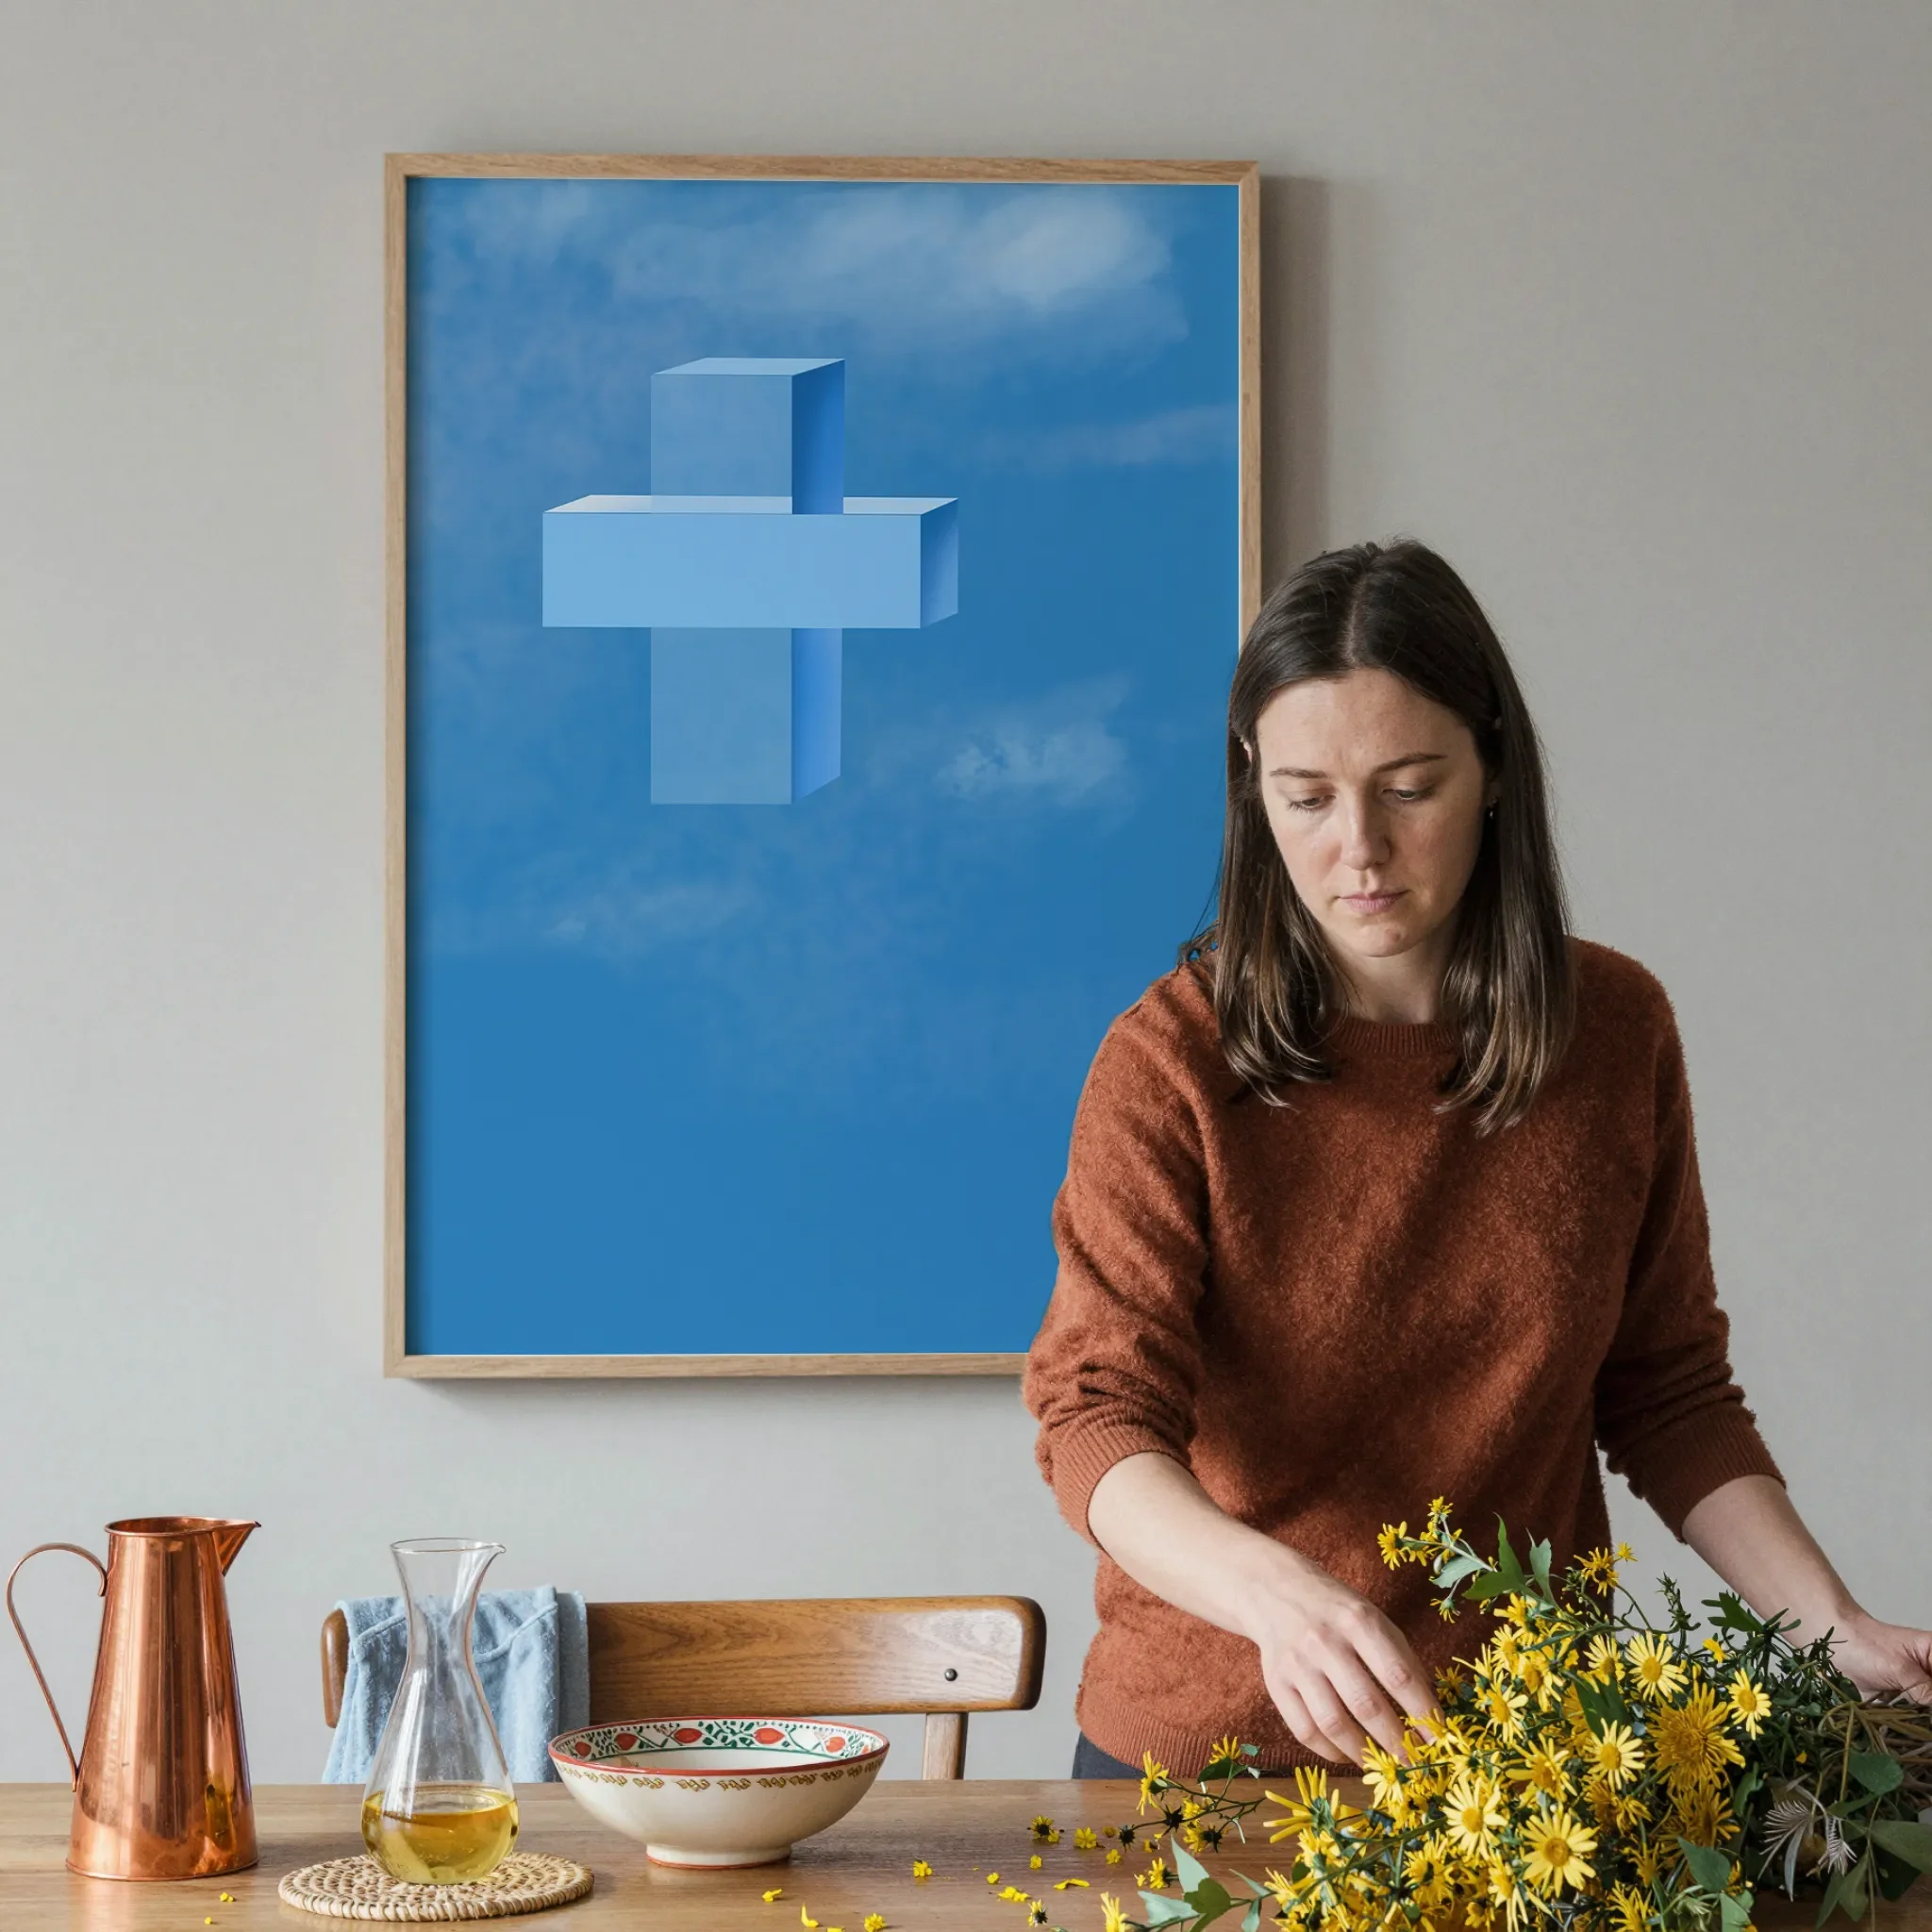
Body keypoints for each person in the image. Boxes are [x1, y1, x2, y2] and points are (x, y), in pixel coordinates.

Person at [1024, 539, 1932, 1781]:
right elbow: (1095, 1419)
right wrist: (1281, 1598)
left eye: (1409, 787)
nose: (1360, 847)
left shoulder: (1614, 1034)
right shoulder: (1170, 1063)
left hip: (1529, 1770)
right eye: (1306, 796)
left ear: (1494, 769)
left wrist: (1832, 1624)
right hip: (1206, 1764)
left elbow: (1667, 1390)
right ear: (1252, 791)